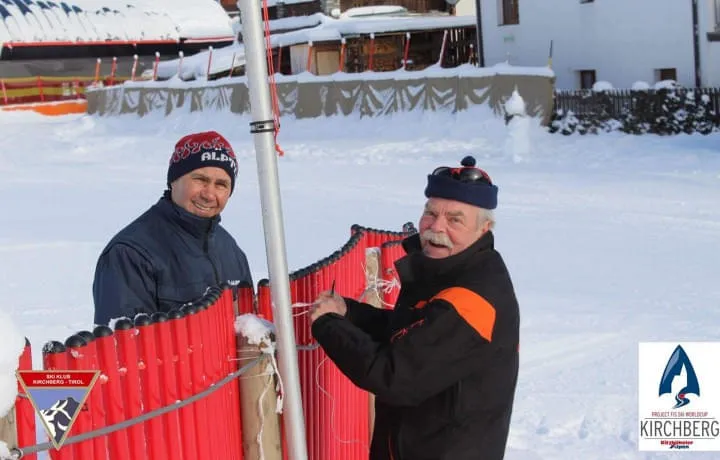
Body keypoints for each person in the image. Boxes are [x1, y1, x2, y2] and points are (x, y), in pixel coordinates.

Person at [309, 156, 520, 460]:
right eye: (430, 213)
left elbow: (394, 376)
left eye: (455, 219)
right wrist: (351, 313)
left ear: (484, 228)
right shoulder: (448, 269)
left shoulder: (471, 300)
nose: (436, 227)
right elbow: (411, 333)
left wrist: (328, 325)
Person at [92, 130, 253, 326]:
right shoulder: (129, 254)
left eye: (221, 184)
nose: (209, 194)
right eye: (200, 179)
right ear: (174, 181)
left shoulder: (231, 250)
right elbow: (125, 347)